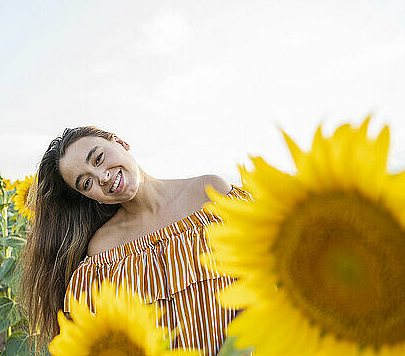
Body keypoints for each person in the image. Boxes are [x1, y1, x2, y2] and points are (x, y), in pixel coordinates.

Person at [19, 126, 252, 355]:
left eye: (98, 158)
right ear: (88, 197)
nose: (102, 177)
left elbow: (263, 278)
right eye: (86, 183)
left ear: (119, 142)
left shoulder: (210, 194)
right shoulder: (103, 256)